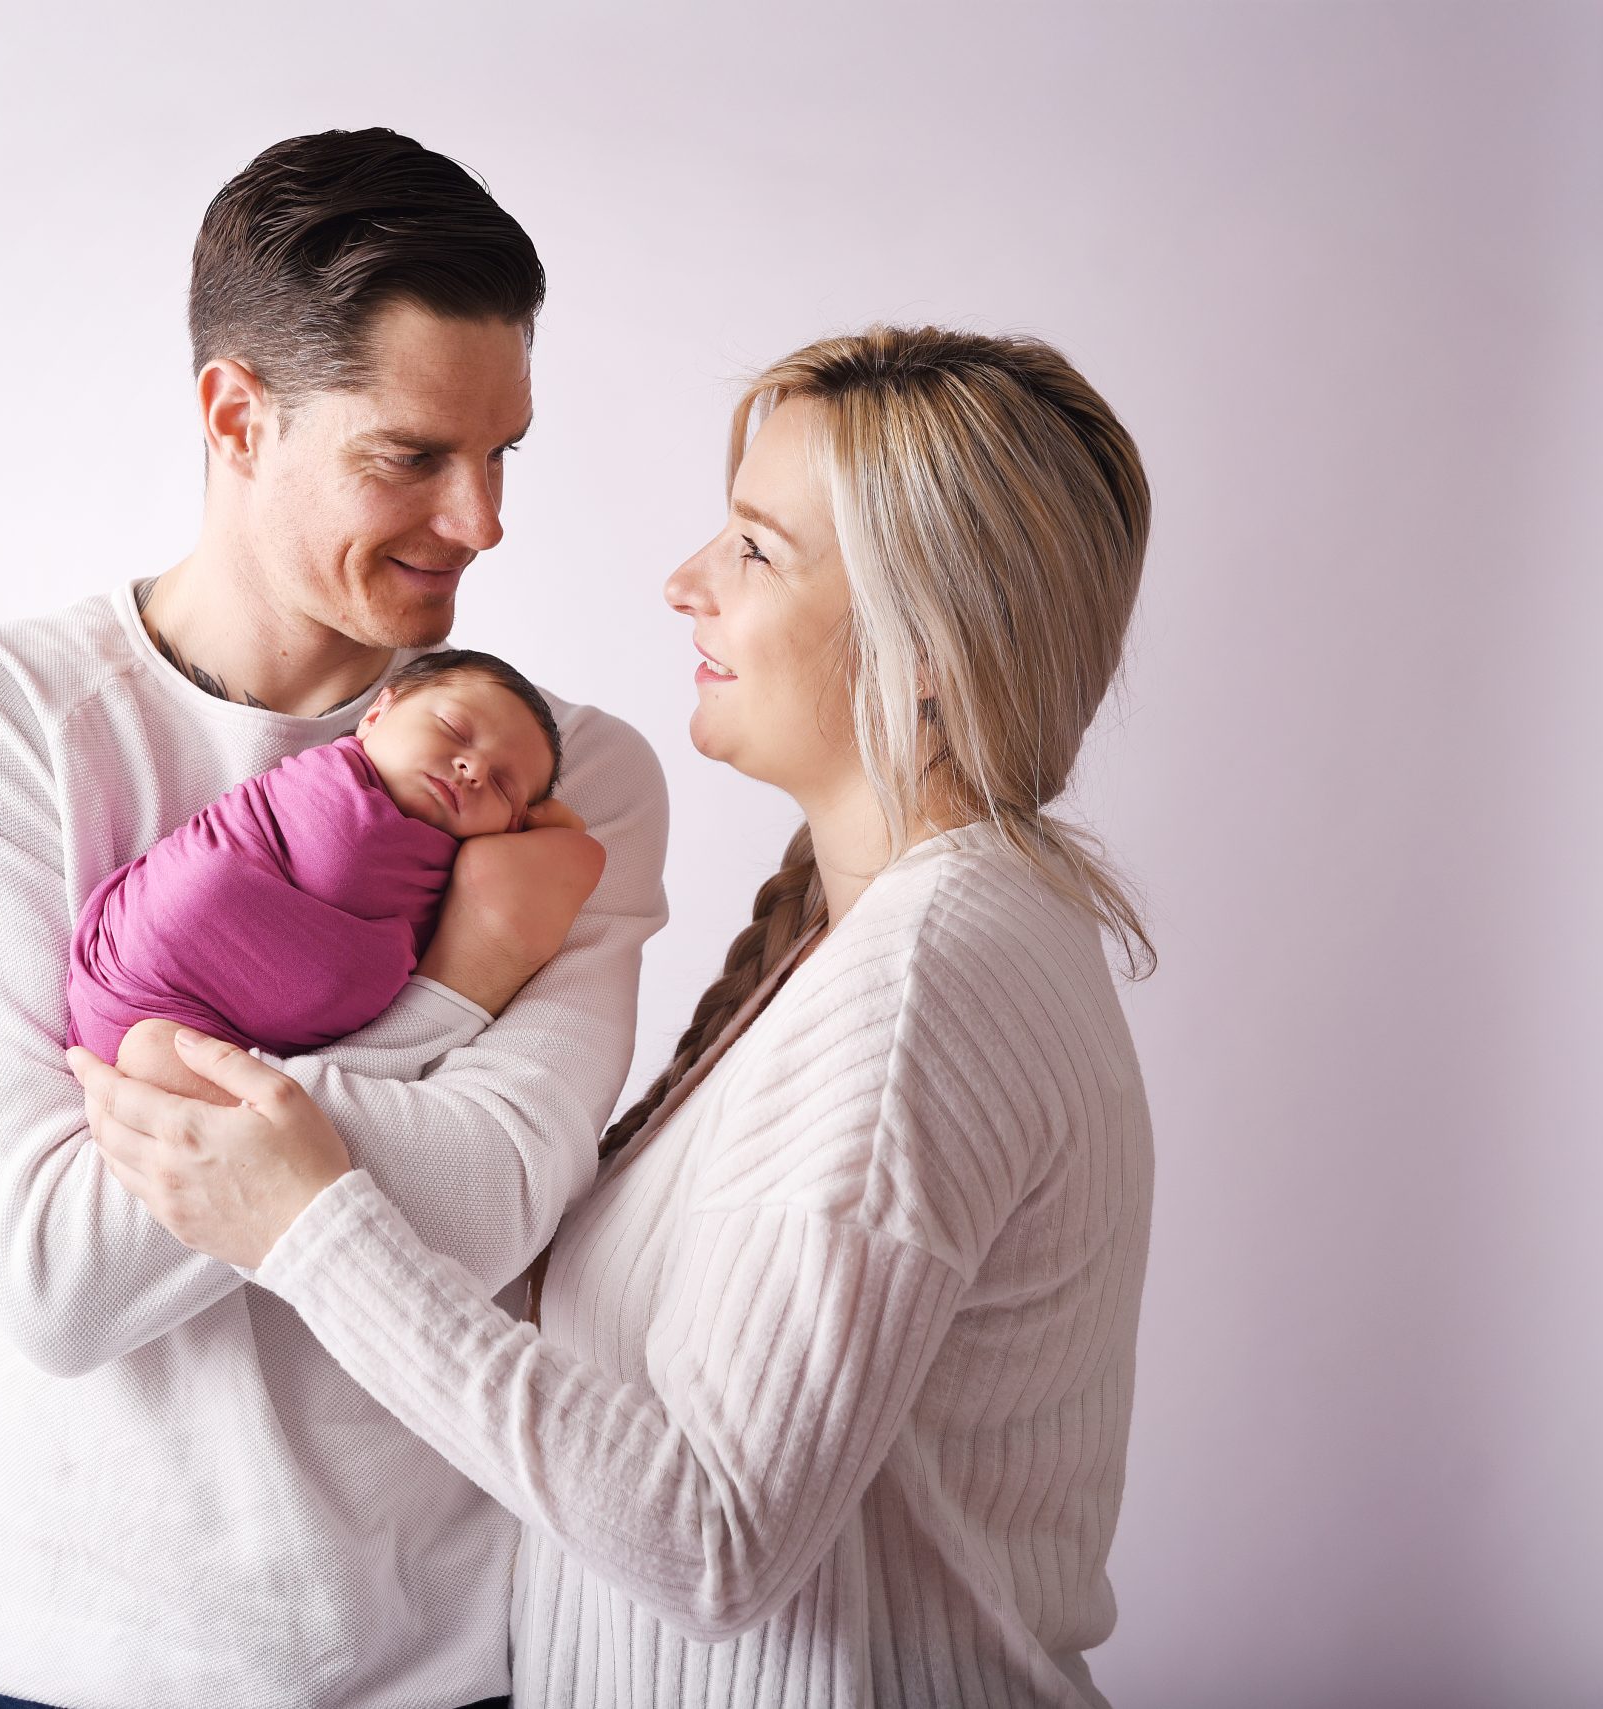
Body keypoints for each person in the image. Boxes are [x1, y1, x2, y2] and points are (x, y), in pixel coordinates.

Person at [75, 325, 1157, 1708]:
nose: (686, 580)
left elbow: (715, 1541)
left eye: (756, 549)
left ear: (931, 644)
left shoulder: (917, 984)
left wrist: (308, 1226)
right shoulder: (870, 938)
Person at [0, 128, 670, 1709]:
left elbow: (498, 1201)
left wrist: (233, 1135)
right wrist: (451, 994)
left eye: (504, 453)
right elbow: (59, 1280)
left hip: (453, 1675)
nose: (483, 519)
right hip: (66, 1675)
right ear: (237, 416)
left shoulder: (560, 779)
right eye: (413, 456)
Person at [70, 648, 593, 1105]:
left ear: (512, 824)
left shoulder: (459, 866)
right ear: (377, 715)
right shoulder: (330, 787)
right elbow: (343, 867)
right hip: (141, 990)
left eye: (503, 786)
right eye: (454, 730)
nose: (472, 770)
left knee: (174, 1068)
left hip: (212, 1049)